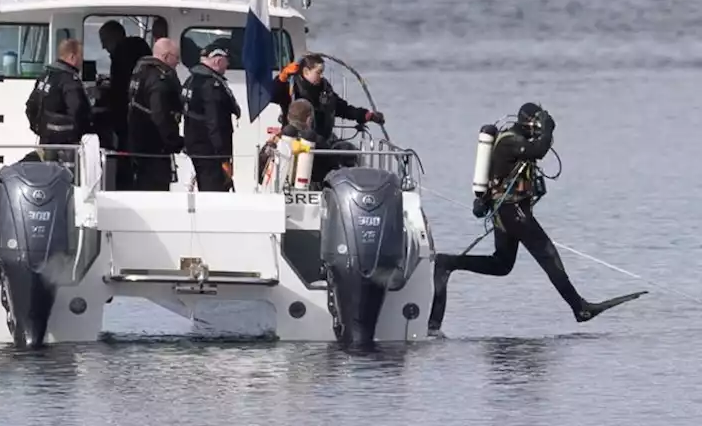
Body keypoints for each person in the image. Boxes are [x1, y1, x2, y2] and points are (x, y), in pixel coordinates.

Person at [426, 103, 647, 335]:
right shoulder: (510, 141)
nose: (538, 130)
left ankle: (447, 263)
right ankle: (580, 308)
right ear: (525, 122)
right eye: (537, 124)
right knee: (547, 253)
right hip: (512, 212)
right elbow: (538, 150)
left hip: (509, 211)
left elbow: (536, 150)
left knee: (502, 265)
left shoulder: (521, 140)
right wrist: (549, 130)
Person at [274, 53, 384, 144]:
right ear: (306, 72)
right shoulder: (291, 87)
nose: (321, 76)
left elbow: (342, 108)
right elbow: (273, 96)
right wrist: (281, 78)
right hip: (295, 142)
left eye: (322, 72)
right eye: (318, 72)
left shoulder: (325, 90)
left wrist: (366, 115)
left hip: (321, 142)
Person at [96, 21, 153, 189]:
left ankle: (124, 185)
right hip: (142, 116)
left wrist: (103, 101)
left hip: (127, 116)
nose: (104, 47)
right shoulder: (138, 49)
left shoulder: (121, 54)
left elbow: (120, 88)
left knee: (126, 153)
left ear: (115, 37)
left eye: (105, 41)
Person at [182, 42, 242, 192]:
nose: (227, 65)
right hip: (210, 151)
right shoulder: (211, 85)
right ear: (217, 60)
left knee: (207, 186)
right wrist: (223, 157)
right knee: (215, 190)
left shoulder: (191, 80)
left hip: (196, 146)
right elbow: (214, 122)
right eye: (226, 61)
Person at [126, 37, 184, 191]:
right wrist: (175, 141)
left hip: (137, 141)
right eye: (176, 58)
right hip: (154, 146)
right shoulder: (159, 80)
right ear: (165, 57)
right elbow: (160, 115)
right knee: (155, 188)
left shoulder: (141, 72)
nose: (178, 63)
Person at [25, 39, 92, 170]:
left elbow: (30, 107)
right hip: (66, 146)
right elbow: (78, 111)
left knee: (48, 175)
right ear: (73, 57)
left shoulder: (45, 76)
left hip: (46, 141)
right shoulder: (69, 80)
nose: (82, 61)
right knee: (69, 180)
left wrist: (40, 130)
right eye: (81, 56)